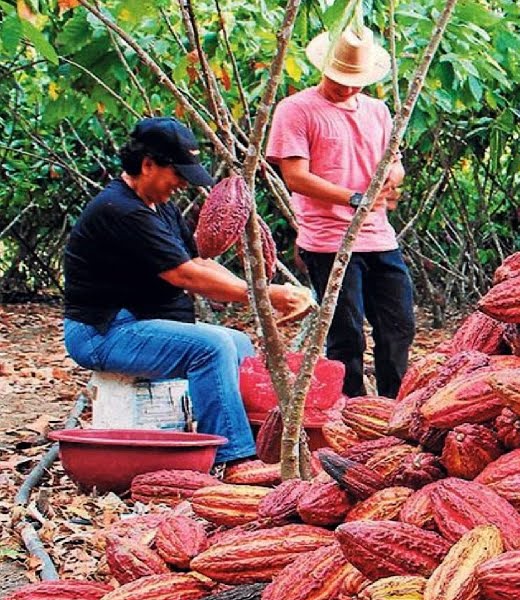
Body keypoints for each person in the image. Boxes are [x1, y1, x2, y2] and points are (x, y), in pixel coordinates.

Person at [62, 117, 314, 466]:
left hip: (138, 323)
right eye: (177, 174)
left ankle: (264, 442)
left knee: (238, 344)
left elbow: (198, 262)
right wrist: (266, 295)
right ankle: (235, 459)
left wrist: (264, 292)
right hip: (102, 332)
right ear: (148, 165)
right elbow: (186, 276)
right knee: (211, 348)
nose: (181, 184)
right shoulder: (120, 210)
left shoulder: (159, 206)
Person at [266, 24, 413, 398]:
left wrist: (392, 178)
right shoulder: (296, 109)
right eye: (340, 79)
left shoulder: (379, 111)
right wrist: (354, 198)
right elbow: (296, 176)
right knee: (346, 336)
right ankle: (350, 413)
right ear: (325, 67)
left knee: (398, 327)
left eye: (355, 81)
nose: (346, 88)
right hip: (328, 238)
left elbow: (394, 163)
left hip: (379, 236)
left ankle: (394, 407)